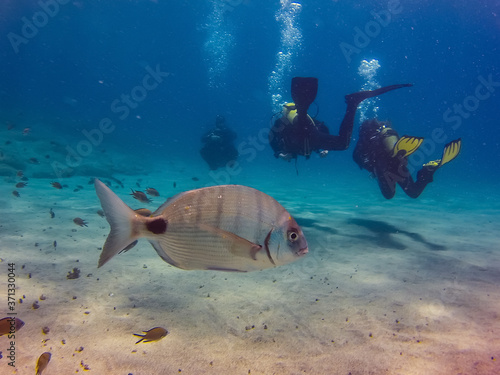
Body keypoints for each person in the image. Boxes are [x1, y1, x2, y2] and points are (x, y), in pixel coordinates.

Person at [269, 77, 413, 161]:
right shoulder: (282, 125)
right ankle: (352, 103)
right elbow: (320, 127)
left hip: (307, 133)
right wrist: (323, 148)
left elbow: (274, 142)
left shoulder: (279, 124)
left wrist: (281, 154)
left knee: (342, 144)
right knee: (342, 143)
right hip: (310, 133)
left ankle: (352, 103)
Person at [352, 118, 462, 199]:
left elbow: (357, 157)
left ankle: (396, 153)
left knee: (389, 194)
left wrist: (373, 170)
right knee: (413, 192)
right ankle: (427, 170)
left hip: (382, 165)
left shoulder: (363, 144)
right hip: (397, 163)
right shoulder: (373, 138)